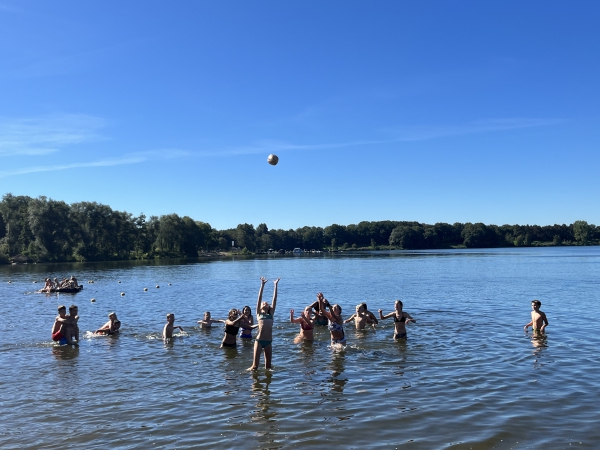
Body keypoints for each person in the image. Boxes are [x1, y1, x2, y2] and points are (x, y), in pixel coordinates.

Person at [248, 277, 280, 370]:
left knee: (268, 367)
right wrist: (262, 285)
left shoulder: (271, 313)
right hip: (259, 341)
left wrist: (275, 285)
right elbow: (259, 297)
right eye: (263, 303)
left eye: (266, 303)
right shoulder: (259, 314)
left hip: (268, 342)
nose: (265, 302)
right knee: (254, 367)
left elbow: (275, 298)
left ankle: (267, 384)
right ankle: (245, 376)